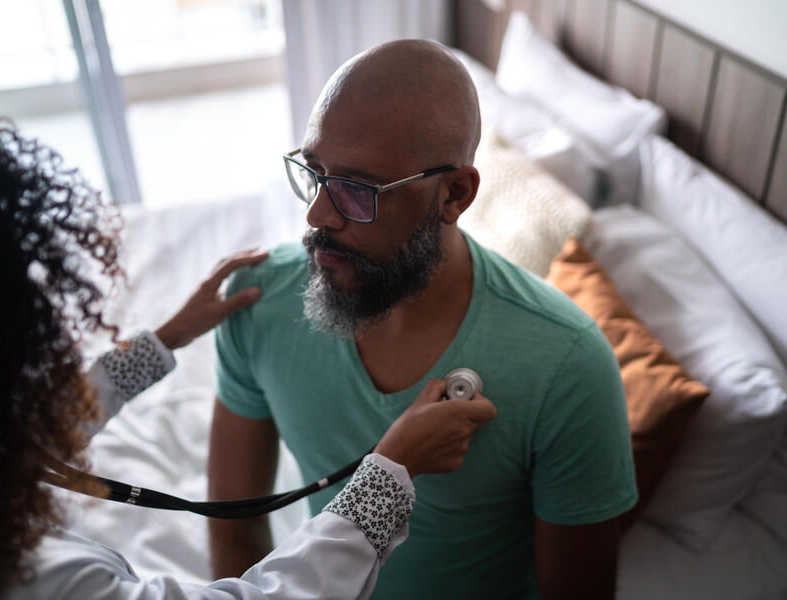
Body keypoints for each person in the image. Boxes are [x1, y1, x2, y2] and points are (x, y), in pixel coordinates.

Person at [0, 120, 497, 600]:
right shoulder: (43, 577)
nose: (315, 214)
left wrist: (165, 339)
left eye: (355, 187)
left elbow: (27, 433)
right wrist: (388, 478)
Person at [209, 39, 638, 599]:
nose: (316, 214)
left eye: (357, 191)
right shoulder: (255, 298)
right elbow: (235, 530)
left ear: (454, 195)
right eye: (314, 173)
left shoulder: (568, 365)